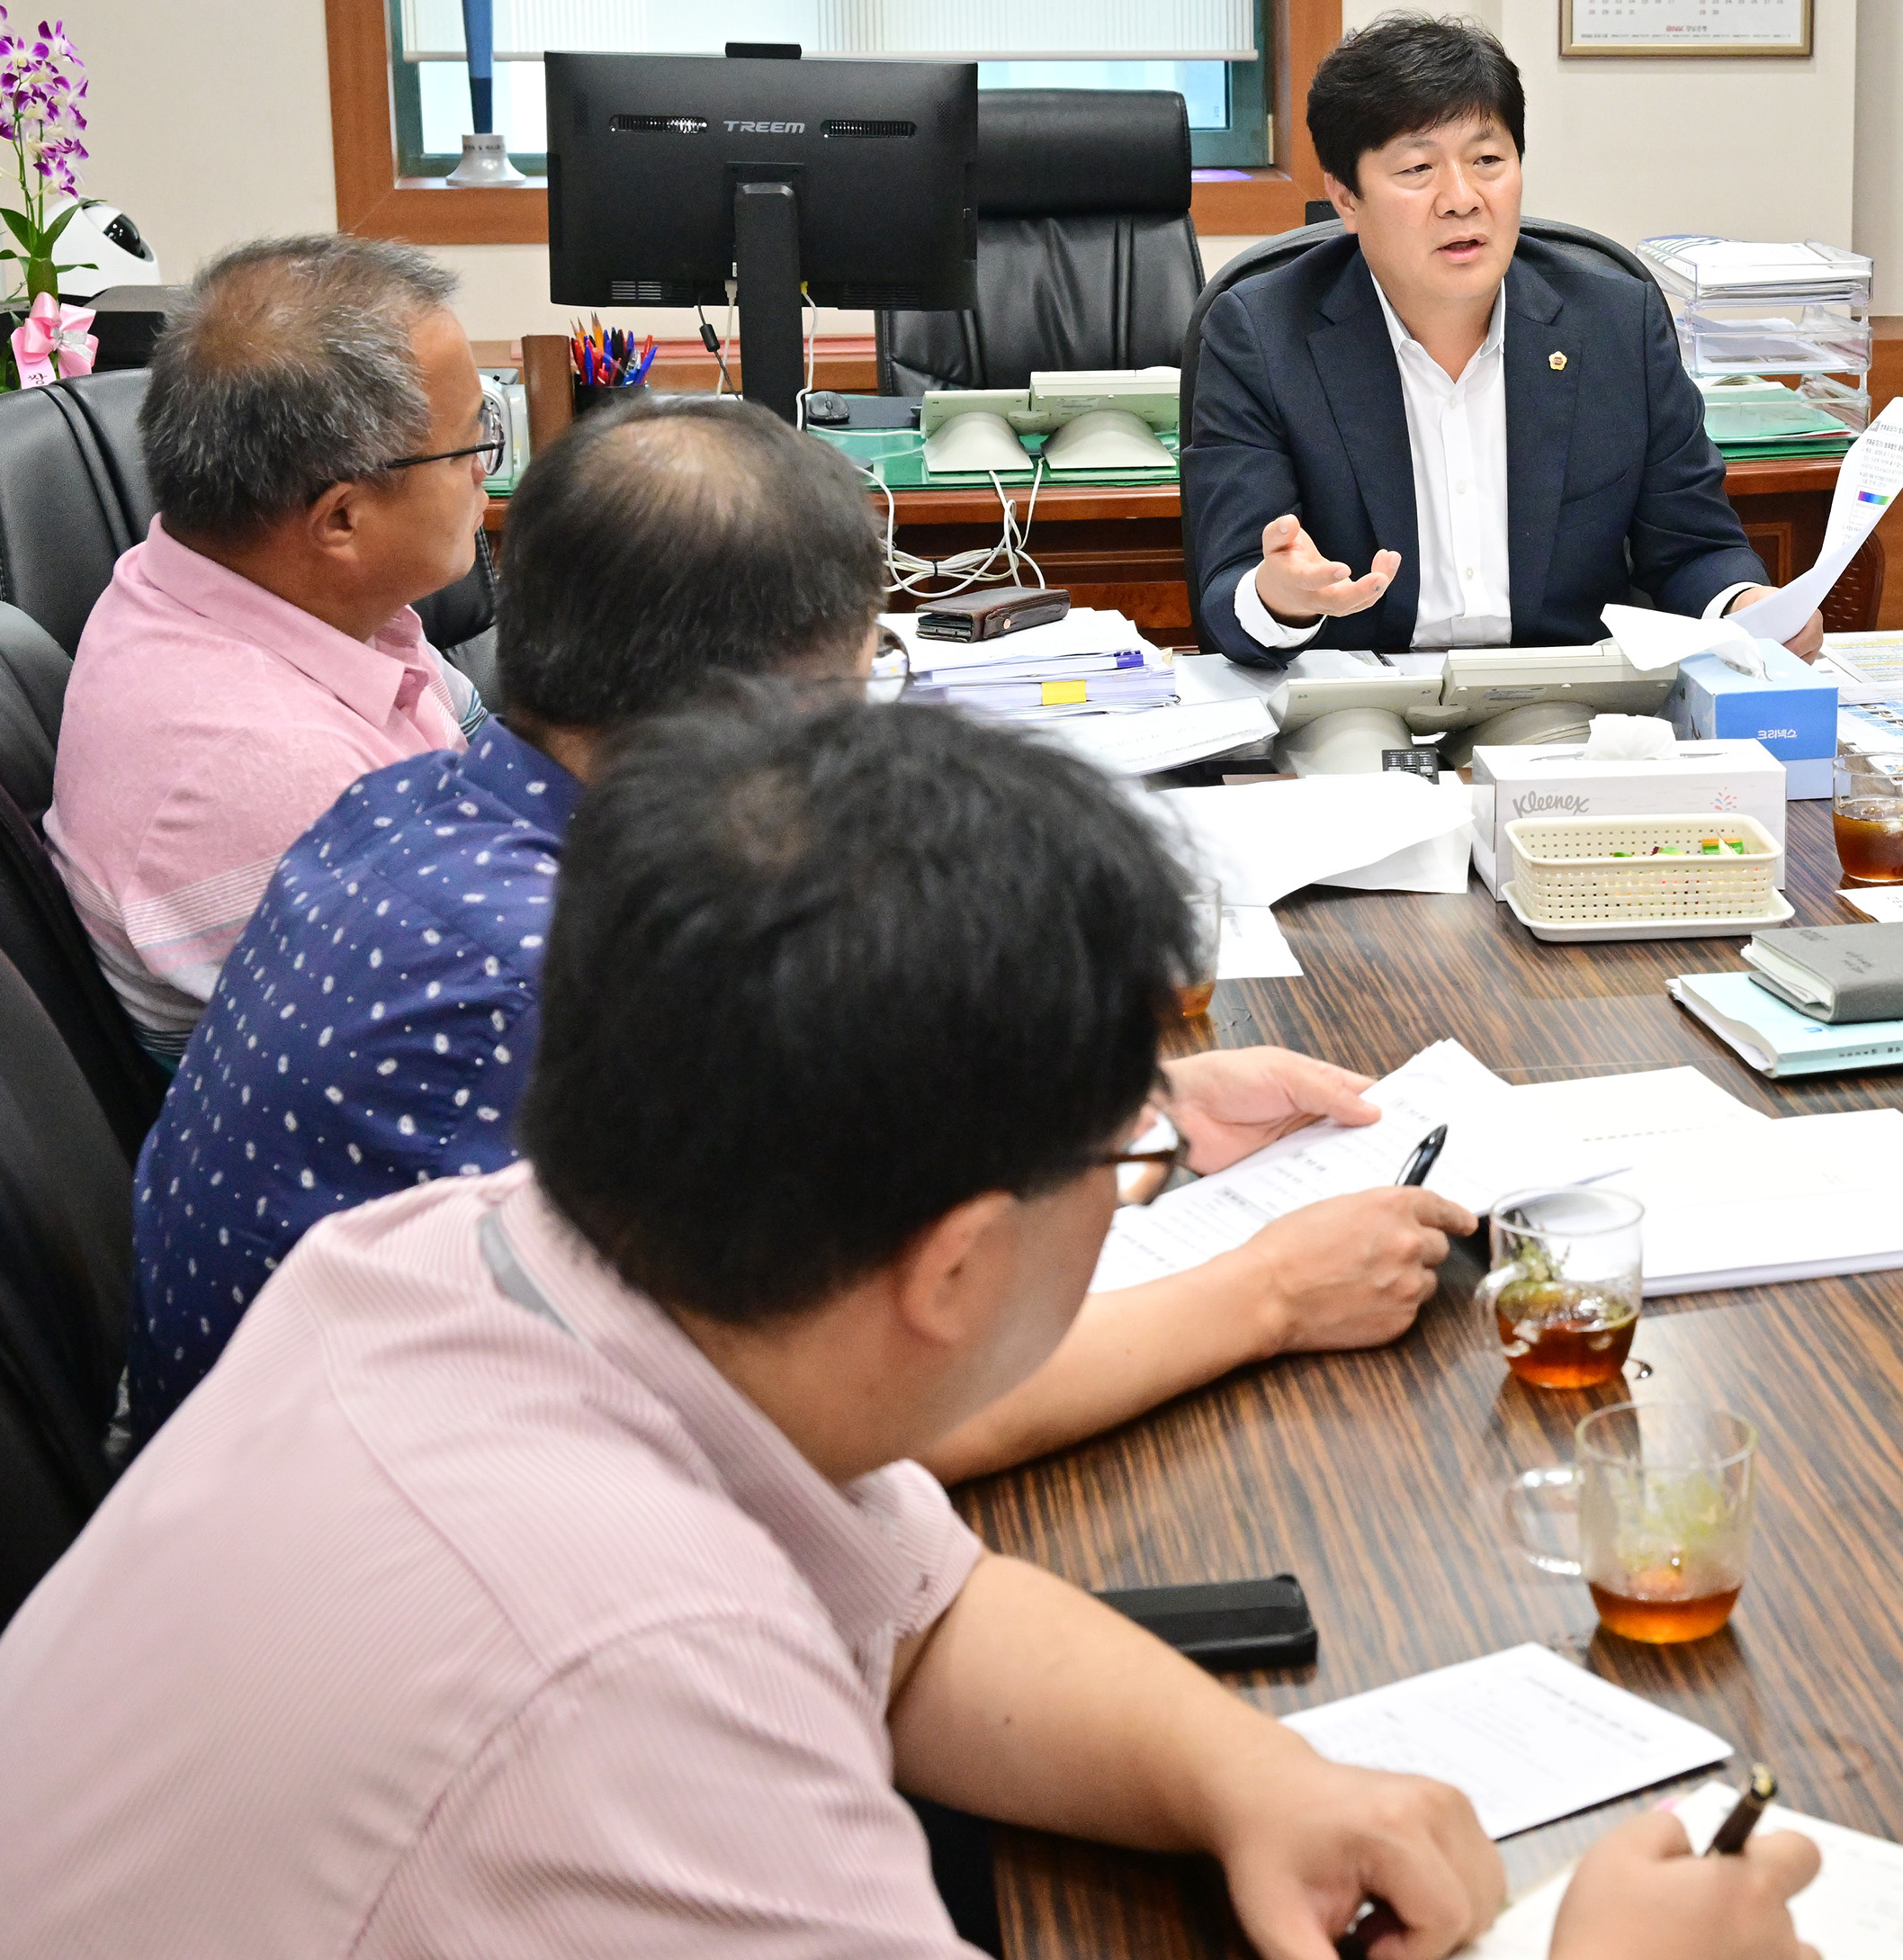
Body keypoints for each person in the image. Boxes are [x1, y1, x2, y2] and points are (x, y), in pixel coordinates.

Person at [0, 694, 1823, 1957]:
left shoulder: (484, 1250)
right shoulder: (644, 1691)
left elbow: (914, 1612)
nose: (1143, 1171)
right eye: (1129, 1146)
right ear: (949, 1271)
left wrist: (1252, 1777)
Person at [124, 393, 1469, 1465]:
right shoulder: (568, 965)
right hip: (403, 1617)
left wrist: (1131, 1123)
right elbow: (854, 1415)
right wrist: (1271, 1295)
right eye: (859, 682)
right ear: (750, 714)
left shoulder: (420, 805)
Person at [1184, 13, 1820, 666]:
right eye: (1417, 169)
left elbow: (1694, 548)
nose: (1462, 199)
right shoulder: (1262, 334)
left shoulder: (1614, 324)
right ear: (1346, 199)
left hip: (1563, 688)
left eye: (1488, 160)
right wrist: (1280, 596)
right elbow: (1226, 594)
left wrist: (1746, 607)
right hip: (1356, 690)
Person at [47, 234, 491, 1056]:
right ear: (341, 519)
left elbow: (494, 765)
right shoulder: (269, 765)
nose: (484, 471)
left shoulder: (236, 585)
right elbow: (498, 1032)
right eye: (471, 441)